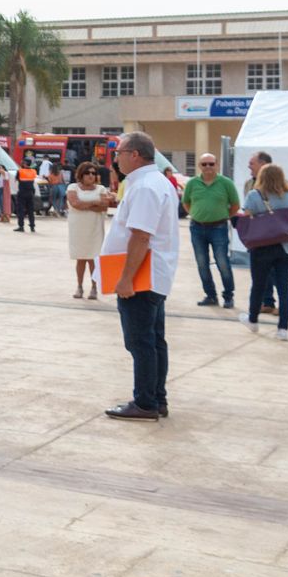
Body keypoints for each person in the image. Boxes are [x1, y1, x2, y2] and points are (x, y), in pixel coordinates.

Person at [100, 131, 179, 422]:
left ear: (134, 154)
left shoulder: (145, 186)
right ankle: (156, 399)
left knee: (140, 342)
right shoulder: (153, 182)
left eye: (118, 153)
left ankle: (145, 402)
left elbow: (141, 236)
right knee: (154, 340)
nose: (115, 159)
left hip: (141, 278)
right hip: (152, 275)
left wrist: (125, 279)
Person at [236, 162, 288, 341]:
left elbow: (248, 218)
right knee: (284, 288)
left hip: (262, 247)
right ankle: (283, 330)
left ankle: (253, 320)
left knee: (258, 285)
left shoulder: (254, 195)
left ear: (262, 178)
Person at [183, 152, 240, 308]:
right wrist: (196, 214)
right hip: (197, 228)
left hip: (219, 228)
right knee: (202, 263)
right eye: (204, 164)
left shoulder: (226, 183)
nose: (208, 167)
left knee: (222, 262)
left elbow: (235, 205)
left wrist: (223, 217)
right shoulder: (192, 183)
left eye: (211, 164)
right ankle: (210, 295)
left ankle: (228, 296)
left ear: (217, 165)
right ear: (199, 166)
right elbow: (186, 203)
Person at [66, 162, 112, 299]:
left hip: (95, 228)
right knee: (80, 258)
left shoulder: (101, 189)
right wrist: (95, 202)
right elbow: (75, 203)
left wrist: (86, 204)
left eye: (93, 173)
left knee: (94, 258)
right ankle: (79, 287)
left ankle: (94, 287)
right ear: (81, 174)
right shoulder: (73, 187)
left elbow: (104, 207)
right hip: (78, 228)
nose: (91, 176)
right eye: (88, 173)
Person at [243, 150, 278, 314]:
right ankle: (267, 302)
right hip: (257, 236)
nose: (249, 166)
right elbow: (247, 210)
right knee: (260, 273)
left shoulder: (278, 185)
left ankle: (273, 303)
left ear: (263, 165)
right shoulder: (249, 185)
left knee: (277, 273)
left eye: (252, 163)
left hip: (275, 235)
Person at [14, 160, 38, 232]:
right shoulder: (33, 171)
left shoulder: (20, 171)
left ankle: (21, 226)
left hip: (22, 193)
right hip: (30, 193)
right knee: (30, 210)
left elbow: (16, 179)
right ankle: (32, 227)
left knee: (21, 210)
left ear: (24, 164)